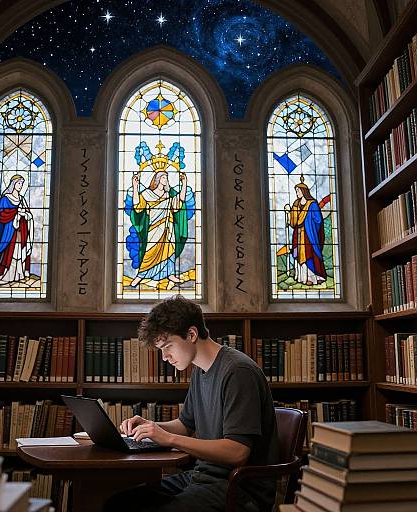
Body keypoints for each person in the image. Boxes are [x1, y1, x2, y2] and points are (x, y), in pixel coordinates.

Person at [104, 296, 279, 512]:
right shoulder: (200, 370)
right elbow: (185, 424)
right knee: (118, 504)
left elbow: (237, 452)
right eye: (160, 349)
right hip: (202, 477)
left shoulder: (238, 372)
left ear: (192, 334)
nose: (165, 357)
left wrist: (169, 438)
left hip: (239, 488)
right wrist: (151, 427)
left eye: (167, 346)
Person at [128, 169, 188, 289]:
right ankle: (141, 275)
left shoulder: (168, 195)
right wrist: (135, 187)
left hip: (168, 228)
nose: (166, 180)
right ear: (158, 179)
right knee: (149, 253)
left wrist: (184, 183)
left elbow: (180, 201)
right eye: (164, 177)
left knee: (169, 251)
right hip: (154, 228)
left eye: (166, 178)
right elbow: (137, 205)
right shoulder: (147, 194)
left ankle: (170, 274)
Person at [0, 174, 34, 285]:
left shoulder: (22, 199)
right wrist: (16, 215)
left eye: (22, 184)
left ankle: (19, 274)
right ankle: (6, 275)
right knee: (10, 253)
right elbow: (1, 217)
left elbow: (27, 214)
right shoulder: (5, 199)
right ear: (13, 184)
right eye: (19, 183)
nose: (20, 186)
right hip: (9, 233)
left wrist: (26, 215)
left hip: (20, 232)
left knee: (19, 253)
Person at [284, 180, 327, 286]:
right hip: (297, 234)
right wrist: (289, 212)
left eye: (298, 190)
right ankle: (303, 277)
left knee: (310, 255)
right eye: (296, 191)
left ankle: (314, 277)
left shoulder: (312, 204)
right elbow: (293, 222)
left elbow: (318, 220)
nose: (297, 193)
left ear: (304, 191)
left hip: (309, 234)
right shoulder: (296, 204)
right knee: (299, 254)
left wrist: (308, 223)